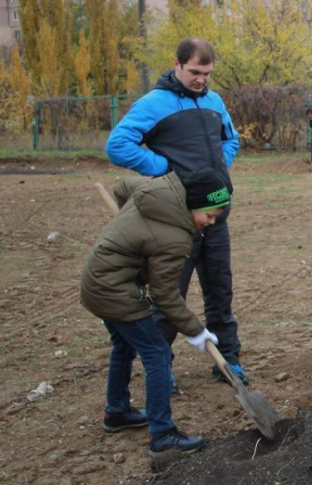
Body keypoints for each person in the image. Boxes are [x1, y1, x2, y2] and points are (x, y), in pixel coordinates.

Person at [105, 37, 248, 391]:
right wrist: (165, 168)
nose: (201, 80)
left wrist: (218, 169)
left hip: (215, 214)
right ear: (177, 65)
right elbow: (117, 145)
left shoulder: (214, 101)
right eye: (195, 72)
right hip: (175, 219)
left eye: (207, 73)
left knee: (220, 290)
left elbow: (231, 140)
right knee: (170, 293)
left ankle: (227, 360)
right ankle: (161, 366)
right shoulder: (154, 104)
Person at [80, 169, 231, 456]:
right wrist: (196, 331)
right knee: (158, 353)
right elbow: (164, 295)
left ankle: (117, 412)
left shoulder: (157, 190)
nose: (211, 224)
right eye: (209, 216)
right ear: (194, 203)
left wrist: (131, 229)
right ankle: (162, 435)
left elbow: (123, 185)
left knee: (124, 345)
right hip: (114, 291)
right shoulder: (174, 238)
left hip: (96, 278)